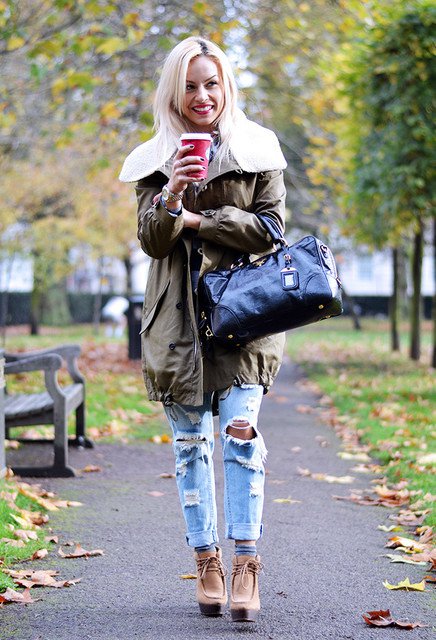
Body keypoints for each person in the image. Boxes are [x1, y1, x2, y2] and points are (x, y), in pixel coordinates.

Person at [119, 36, 287, 624]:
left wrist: (200, 219)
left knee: (241, 442)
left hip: (245, 323)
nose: (202, 95)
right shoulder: (153, 158)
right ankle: (207, 563)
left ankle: (246, 564)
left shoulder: (259, 149)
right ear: (174, 91)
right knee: (191, 450)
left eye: (211, 83)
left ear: (227, 87)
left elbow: (271, 229)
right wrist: (174, 191)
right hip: (177, 325)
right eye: (190, 85)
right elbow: (151, 239)